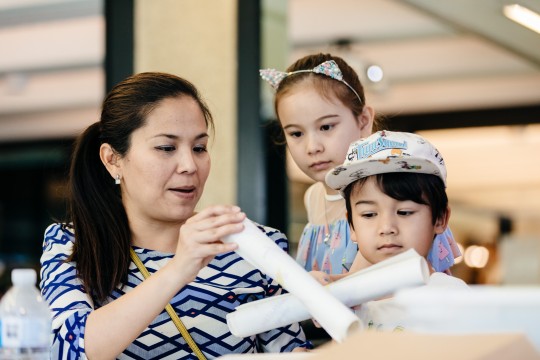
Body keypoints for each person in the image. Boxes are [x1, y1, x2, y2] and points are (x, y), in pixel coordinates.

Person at [39, 72, 310, 359]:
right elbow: (69, 349)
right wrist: (181, 267)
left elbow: (294, 352)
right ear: (112, 159)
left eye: (199, 148)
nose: (189, 165)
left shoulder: (254, 244)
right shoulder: (73, 242)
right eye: (166, 148)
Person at [260, 53, 459, 277]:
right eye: (296, 133)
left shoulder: (389, 192)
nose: (312, 146)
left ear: (363, 121)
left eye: (326, 127)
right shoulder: (313, 197)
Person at [324, 130, 468, 331]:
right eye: (368, 214)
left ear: (440, 218)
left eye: (405, 212)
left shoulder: (453, 297)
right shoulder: (343, 302)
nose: (386, 228)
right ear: (352, 227)